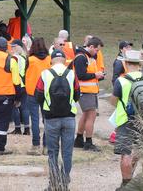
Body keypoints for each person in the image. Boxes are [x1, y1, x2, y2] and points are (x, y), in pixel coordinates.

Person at [111, 50, 143, 190]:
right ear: (139, 64)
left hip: (125, 121)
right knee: (140, 150)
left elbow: (114, 102)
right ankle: (136, 180)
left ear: (125, 63)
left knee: (126, 153)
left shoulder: (121, 81)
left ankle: (126, 184)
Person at [35, 50, 80, 191]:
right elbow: (77, 95)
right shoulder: (72, 74)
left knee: (53, 152)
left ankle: (53, 183)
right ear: (65, 60)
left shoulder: (45, 74)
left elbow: (38, 96)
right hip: (69, 117)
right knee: (67, 152)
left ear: (52, 60)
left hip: (51, 118)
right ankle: (64, 183)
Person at [73, 36, 104, 152]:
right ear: (91, 46)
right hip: (85, 91)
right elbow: (81, 75)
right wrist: (95, 75)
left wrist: (97, 76)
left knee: (86, 115)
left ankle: (79, 139)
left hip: (89, 91)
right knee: (91, 116)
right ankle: (88, 142)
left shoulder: (89, 57)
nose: (97, 52)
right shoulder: (81, 57)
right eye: (97, 50)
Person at [25, 37, 51, 155]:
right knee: (47, 119)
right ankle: (46, 146)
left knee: (34, 119)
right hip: (46, 91)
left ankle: (35, 145)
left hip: (32, 92)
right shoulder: (49, 59)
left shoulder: (30, 60)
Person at [10, 39, 30, 135]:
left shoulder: (14, 58)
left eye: (13, 46)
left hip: (16, 84)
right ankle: (27, 129)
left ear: (17, 47)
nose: (11, 48)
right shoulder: (24, 57)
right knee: (25, 107)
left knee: (14, 106)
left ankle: (17, 128)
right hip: (24, 84)